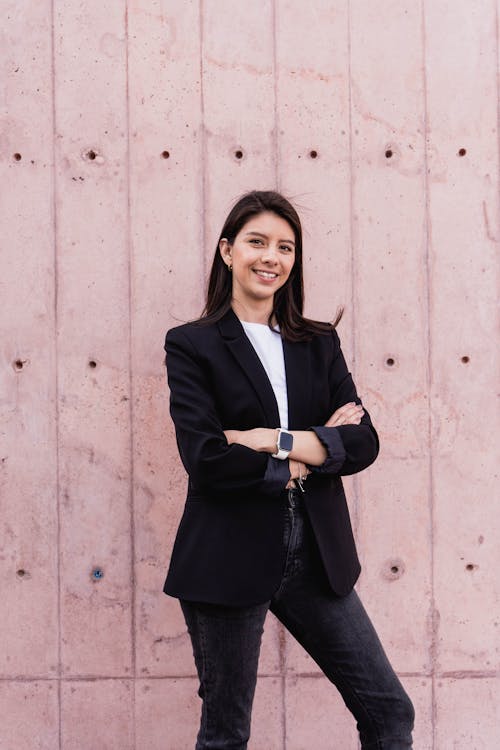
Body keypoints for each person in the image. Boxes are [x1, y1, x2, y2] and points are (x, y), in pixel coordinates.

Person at [163, 190, 415, 749]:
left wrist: (268, 440)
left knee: (390, 713)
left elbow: (364, 441)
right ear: (228, 251)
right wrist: (306, 461)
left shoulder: (318, 343)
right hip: (226, 555)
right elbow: (207, 461)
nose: (270, 257)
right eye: (256, 242)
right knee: (226, 734)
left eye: (284, 246)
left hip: (317, 557)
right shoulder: (192, 345)